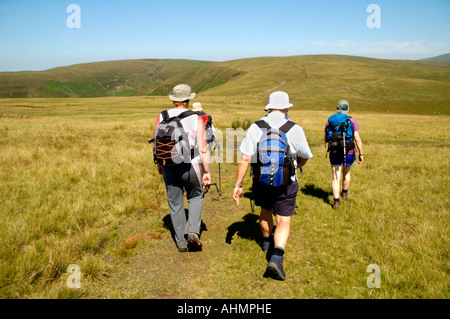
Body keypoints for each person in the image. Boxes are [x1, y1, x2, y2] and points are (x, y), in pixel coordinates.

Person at [232, 91, 313, 281]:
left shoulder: (255, 127)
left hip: (261, 181)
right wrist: (295, 166)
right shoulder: (294, 128)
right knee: (284, 219)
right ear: (286, 108)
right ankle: (277, 257)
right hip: (286, 182)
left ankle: (267, 244)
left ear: (268, 108)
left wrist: (238, 184)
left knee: (265, 211)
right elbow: (305, 155)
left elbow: (245, 158)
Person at [153, 84, 211, 252]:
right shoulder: (196, 117)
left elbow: (156, 144)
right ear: (188, 99)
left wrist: (159, 164)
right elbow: (203, 148)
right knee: (196, 195)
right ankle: (193, 231)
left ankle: (181, 242)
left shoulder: (162, 116)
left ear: (173, 99)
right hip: (191, 165)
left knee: (175, 203)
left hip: (168, 165)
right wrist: (206, 172)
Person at [323, 100, 364, 210]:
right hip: (349, 151)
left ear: (337, 108)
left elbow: (326, 138)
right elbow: (358, 139)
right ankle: (344, 193)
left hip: (335, 151)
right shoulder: (351, 121)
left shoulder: (330, 120)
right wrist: (361, 154)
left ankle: (336, 201)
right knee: (346, 173)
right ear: (347, 109)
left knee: (335, 177)